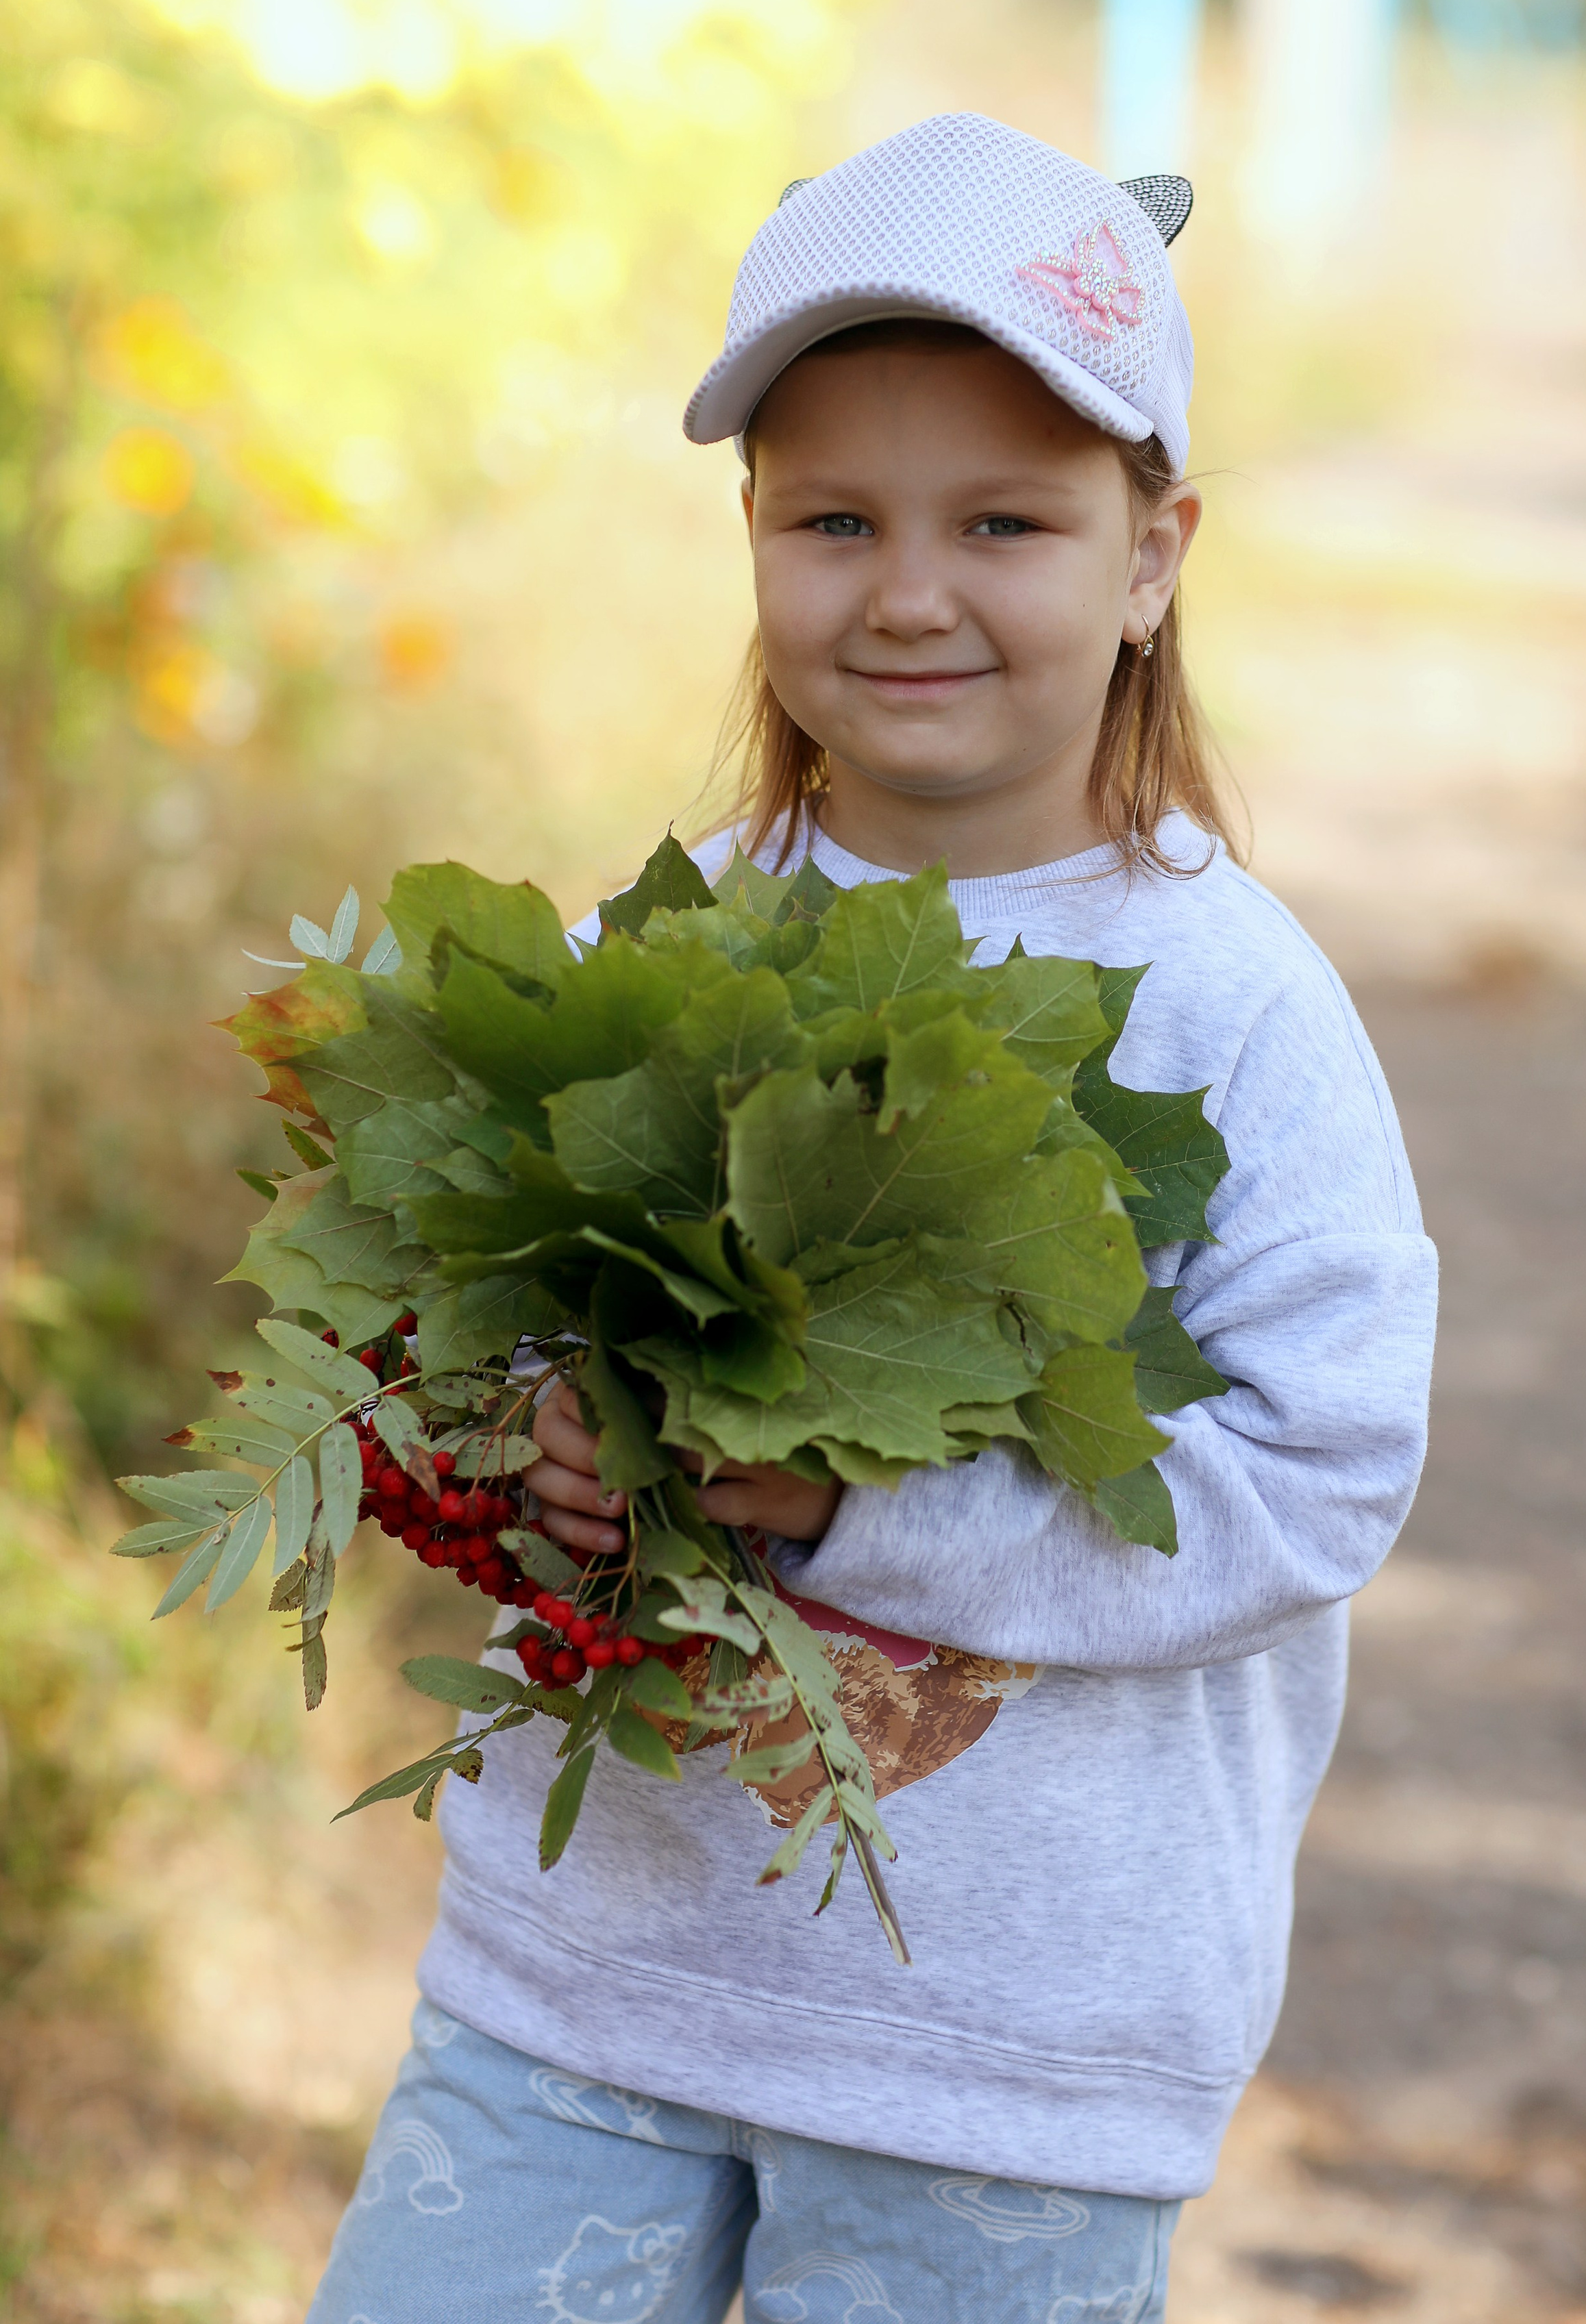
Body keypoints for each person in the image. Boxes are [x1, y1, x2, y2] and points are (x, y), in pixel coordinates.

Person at [307, 112, 1438, 2324]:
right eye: (836, 519)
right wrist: (538, 1447)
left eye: (1002, 520)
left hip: (1006, 2051)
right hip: (585, 1982)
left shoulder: (1234, 1008)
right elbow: (488, 1325)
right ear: (751, 532)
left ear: (1151, 554)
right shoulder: (659, 950)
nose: (909, 592)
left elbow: (1320, 1473)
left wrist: (861, 1513)